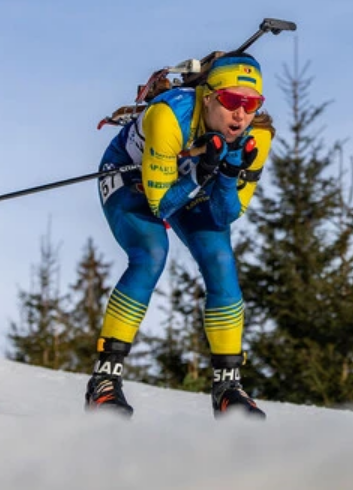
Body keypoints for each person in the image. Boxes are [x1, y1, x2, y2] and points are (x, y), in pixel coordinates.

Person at [85, 51, 273, 419]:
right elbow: (160, 206)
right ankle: (104, 381)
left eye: (251, 104)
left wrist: (229, 169)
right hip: (133, 179)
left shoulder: (257, 135)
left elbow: (225, 215)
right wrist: (202, 172)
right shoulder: (169, 115)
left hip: (191, 180)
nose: (241, 114)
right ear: (208, 97)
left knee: (220, 260)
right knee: (151, 253)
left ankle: (228, 387)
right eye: (232, 101)